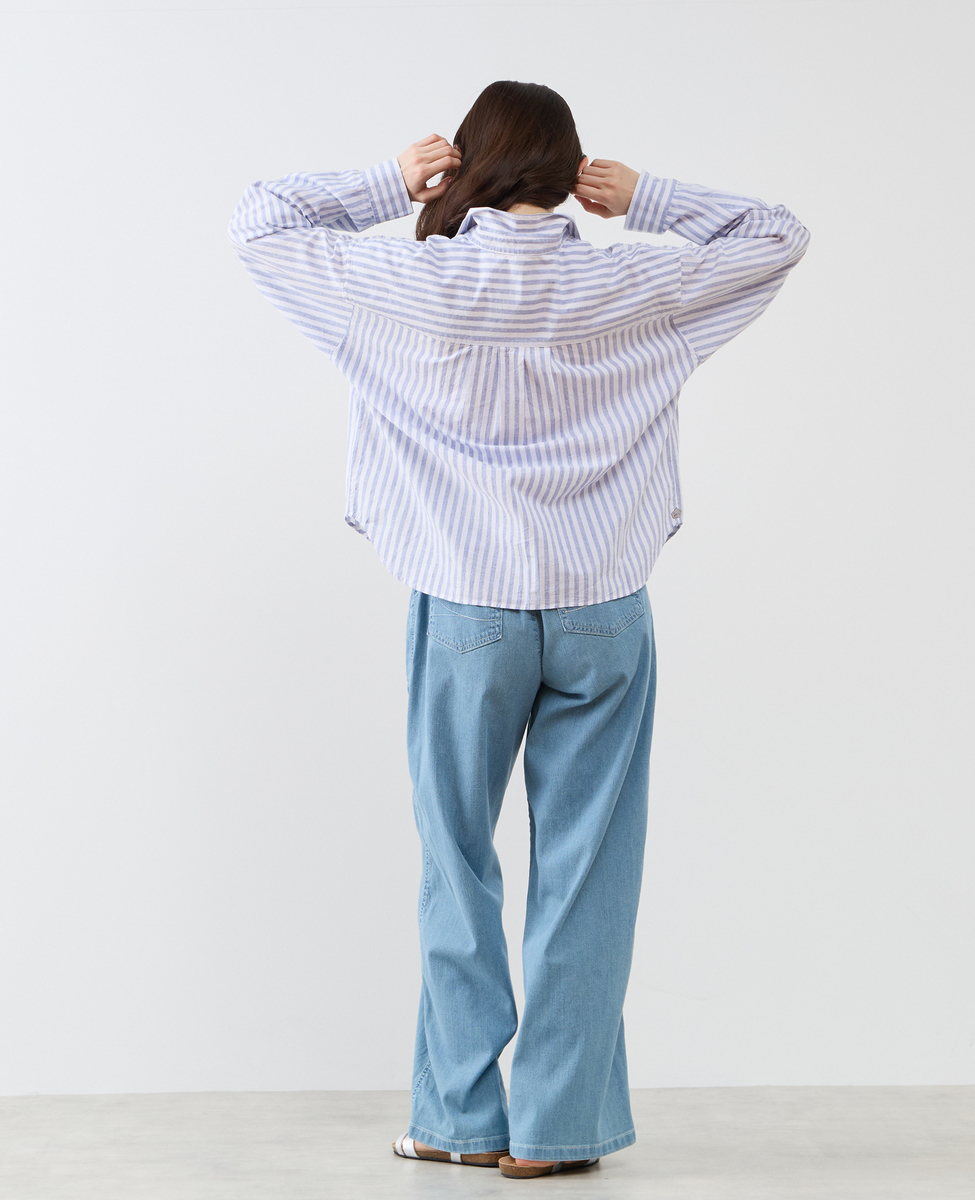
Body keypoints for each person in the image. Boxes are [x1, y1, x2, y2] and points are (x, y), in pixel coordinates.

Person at [228, 79, 810, 1180]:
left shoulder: (408, 282)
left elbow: (259, 221)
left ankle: (457, 1117)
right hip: (604, 608)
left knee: (456, 863)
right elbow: (778, 234)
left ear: (469, 166)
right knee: (589, 873)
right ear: (571, 170)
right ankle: (556, 1128)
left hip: (467, 606)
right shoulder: (636, 279)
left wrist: (390, 181)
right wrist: (651, 198)